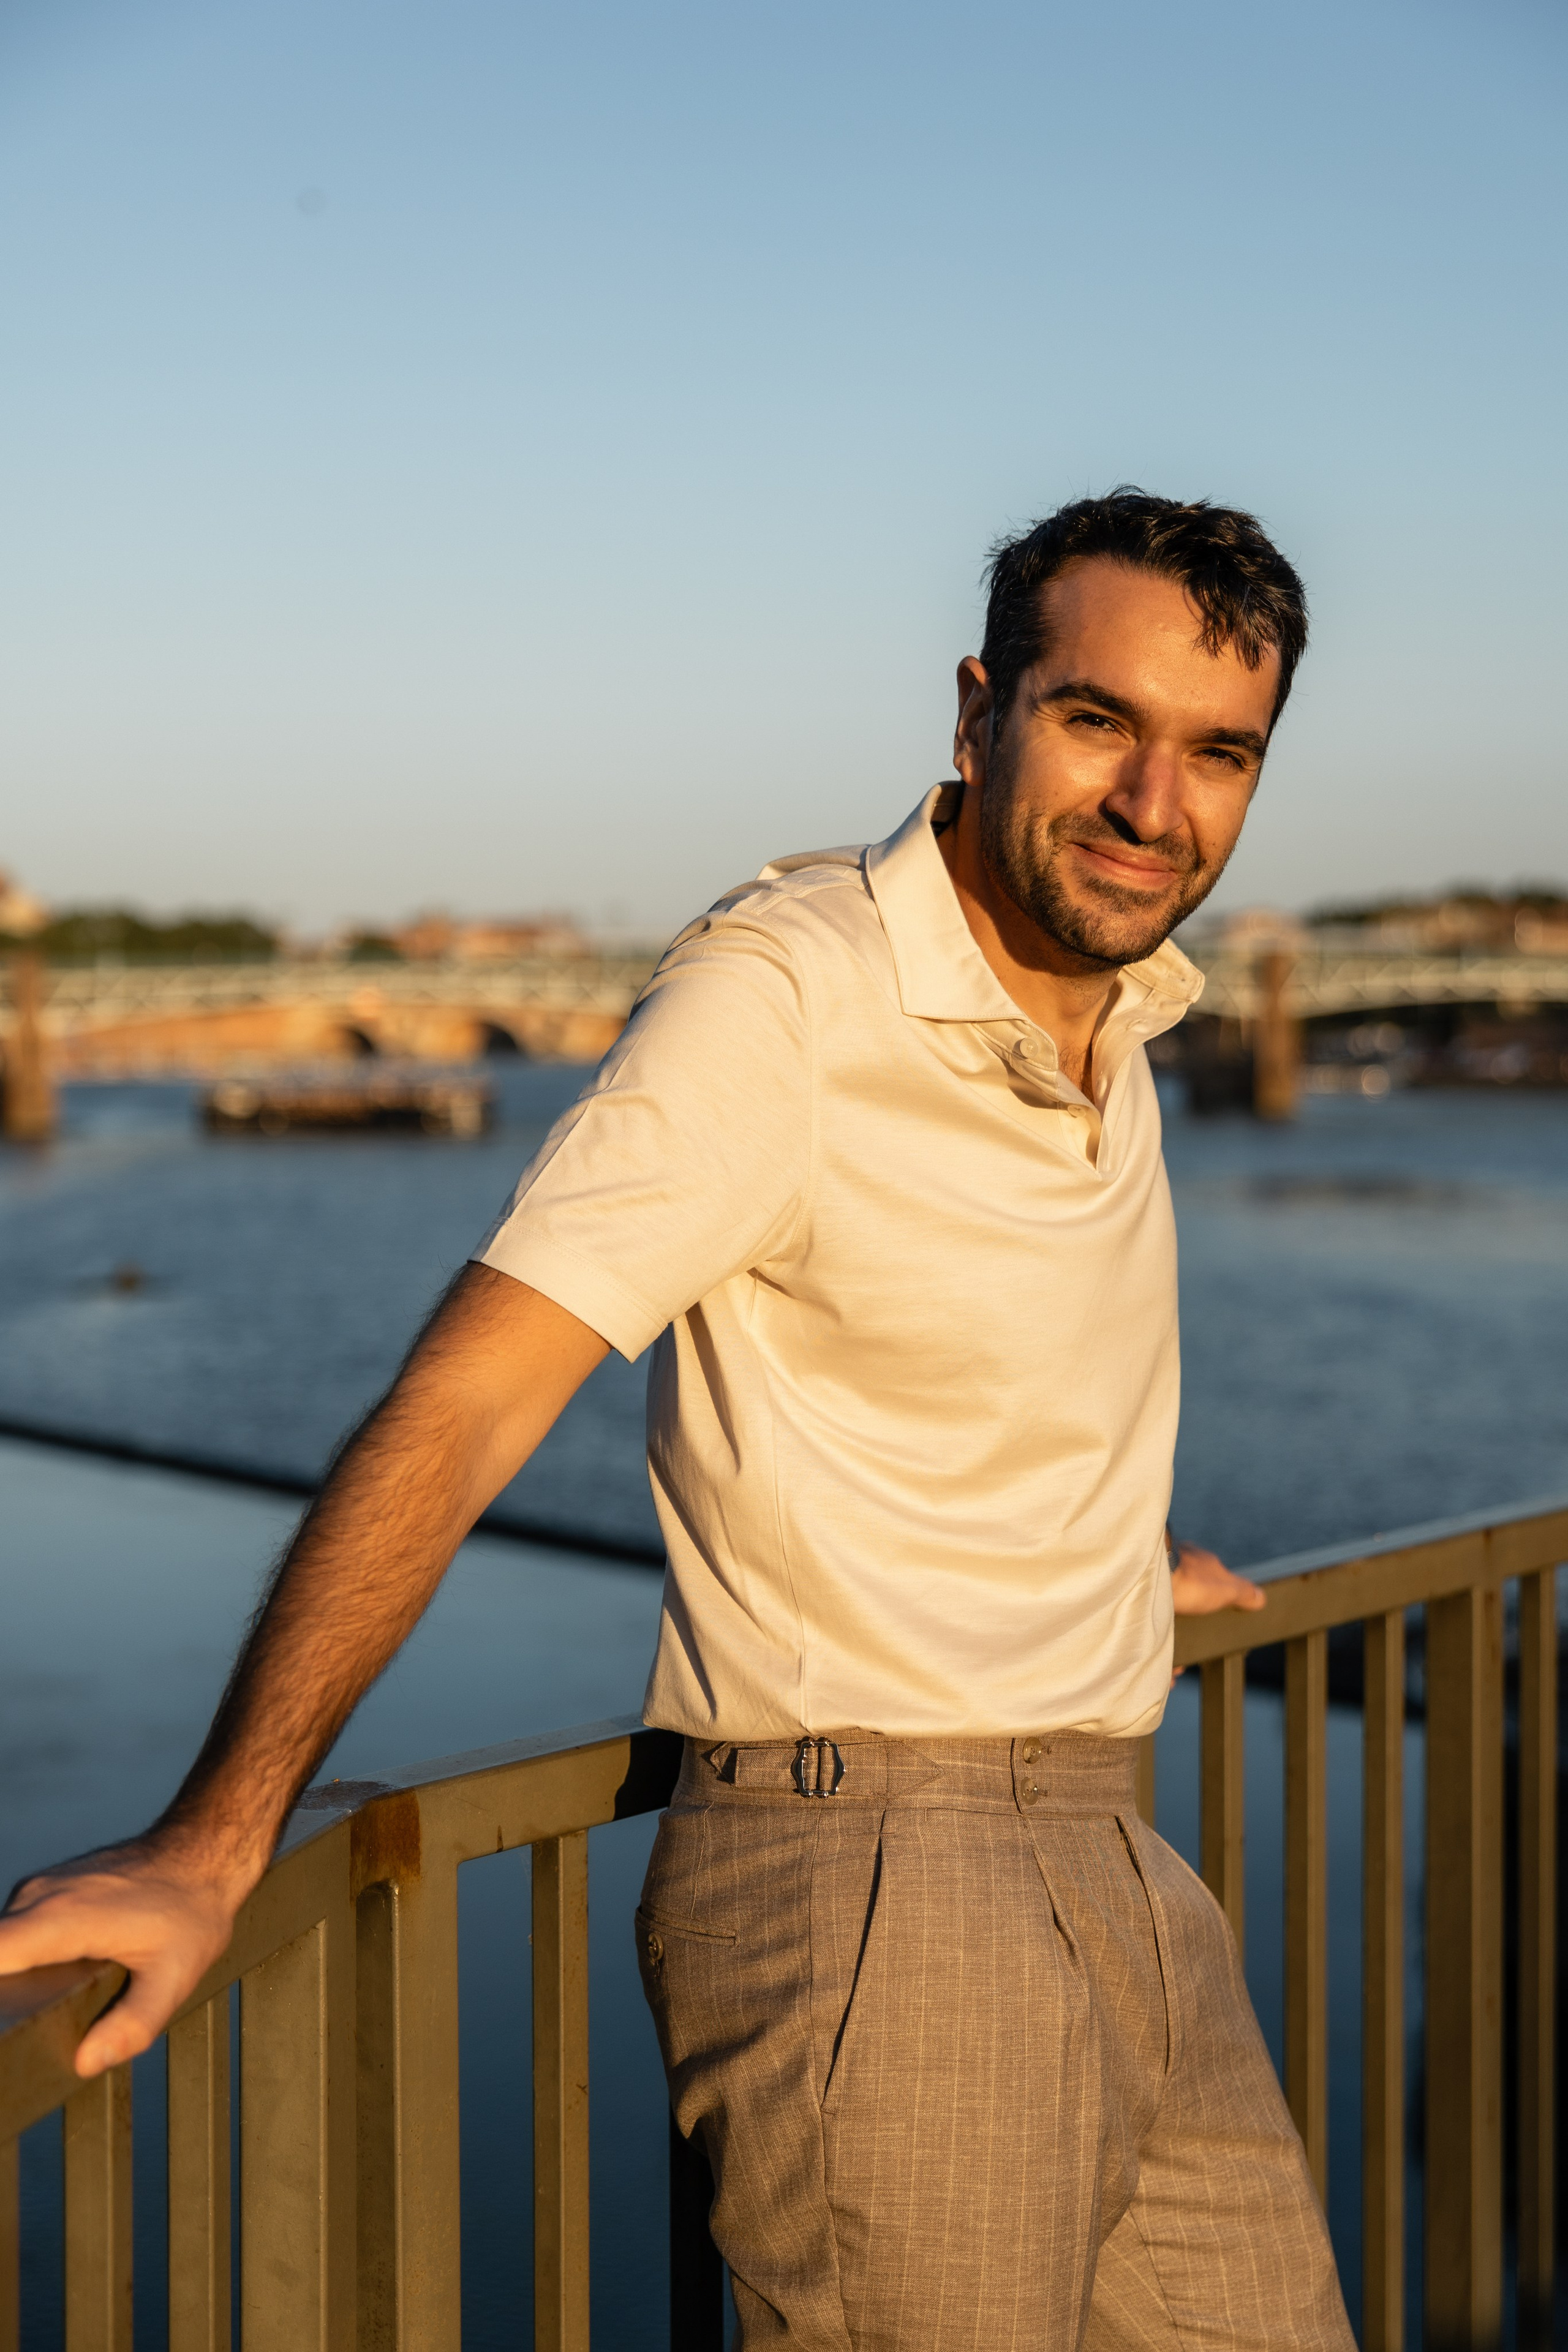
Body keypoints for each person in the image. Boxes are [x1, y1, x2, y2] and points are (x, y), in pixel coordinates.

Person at [0, 489, 1350, 2350]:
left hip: (1121, 1856)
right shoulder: (788, 995)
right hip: (880, 1890)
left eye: (1219, 754)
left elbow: (943, 1357)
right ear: (978, 712)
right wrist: (218, 1837)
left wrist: (1100, 1563)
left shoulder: (1120, 1009)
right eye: (1098, 720)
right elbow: (470, 1403)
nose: (1154, 803)